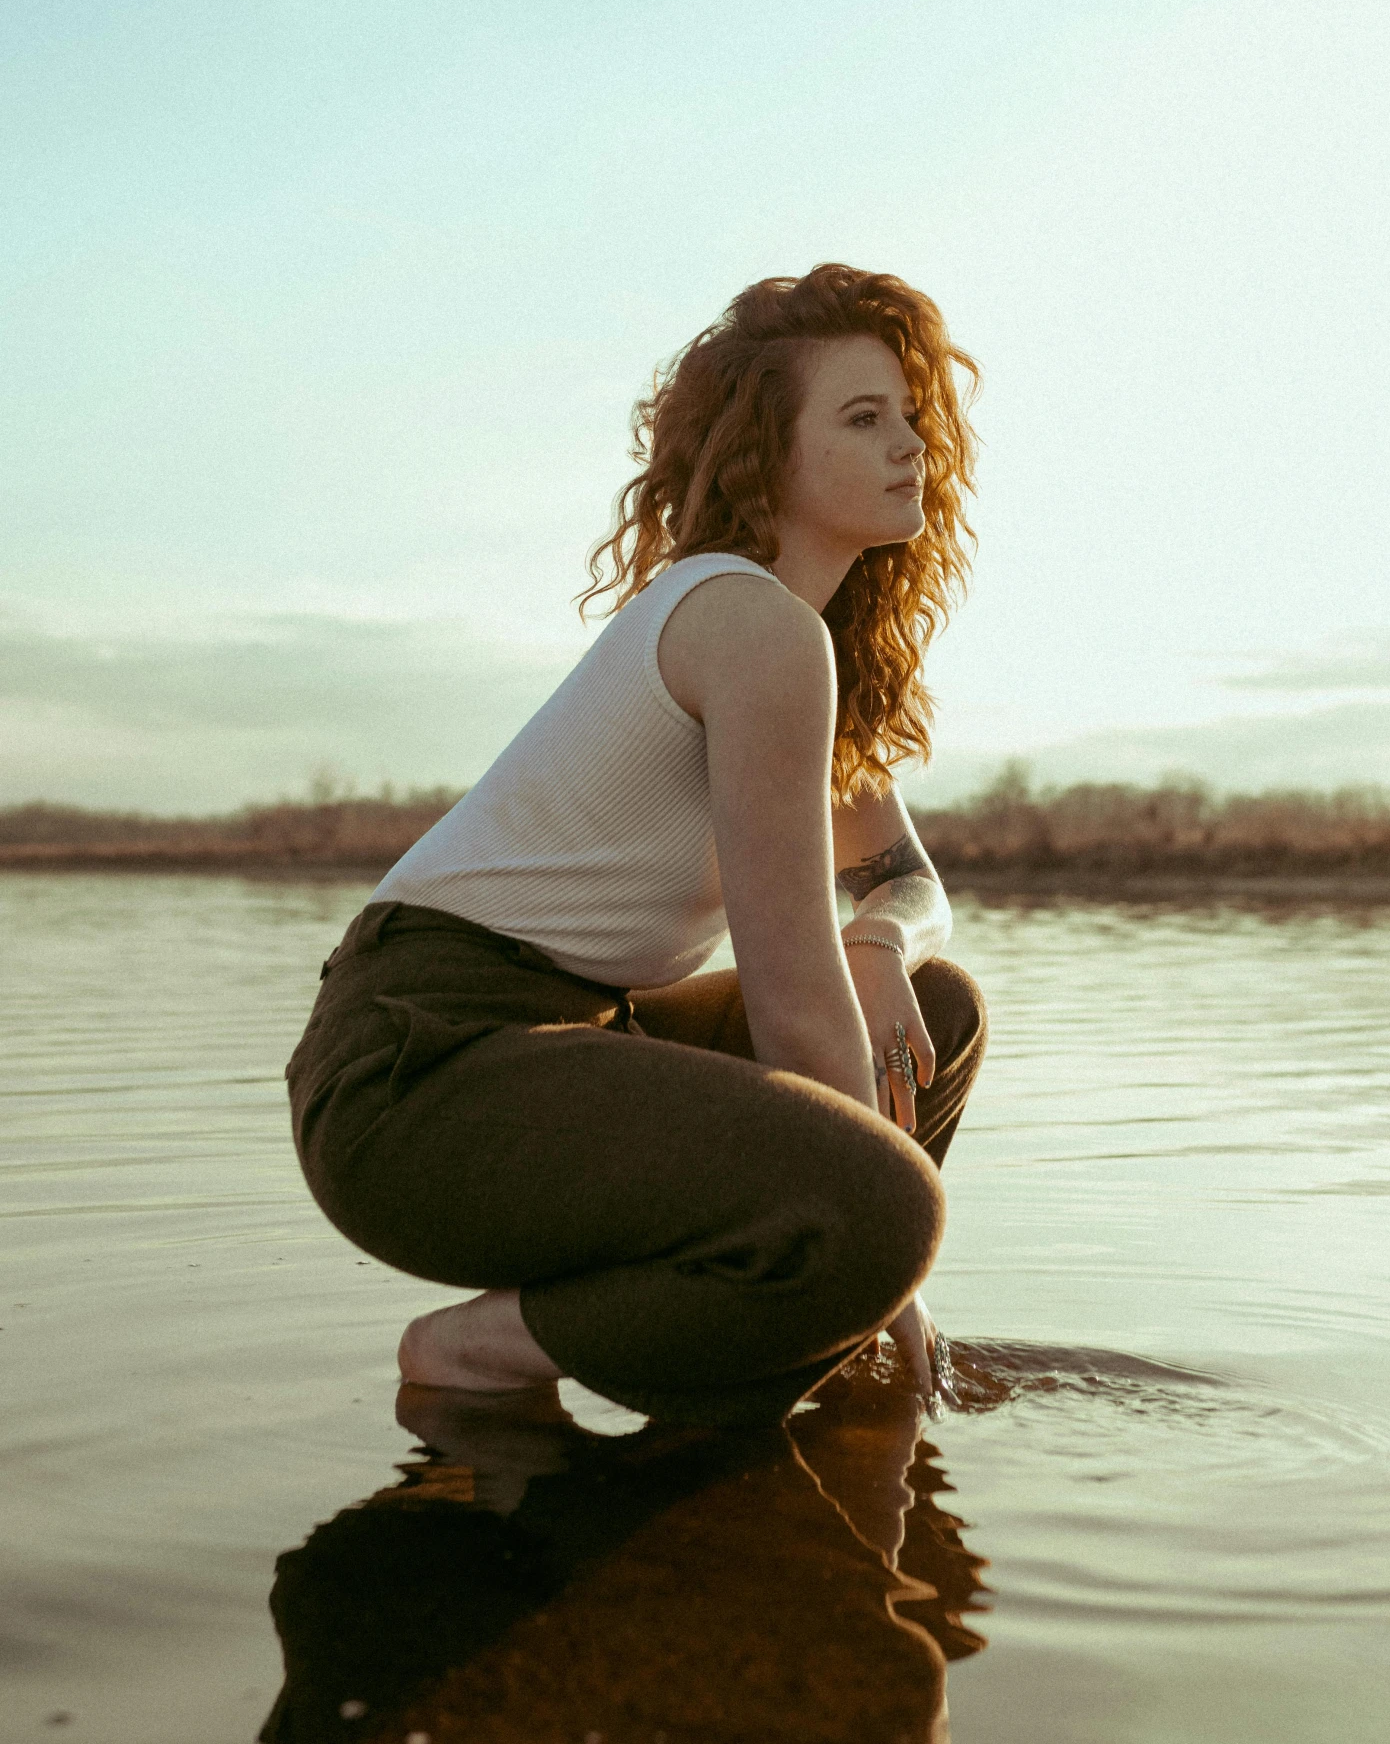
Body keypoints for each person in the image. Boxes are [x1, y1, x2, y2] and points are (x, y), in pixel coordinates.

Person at [285, 263, 987, 1427]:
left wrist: (878, 940)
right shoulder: (747, 625)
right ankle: (485, 1351)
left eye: (910, 415)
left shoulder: (800, 647)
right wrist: (892, 1261)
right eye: (863, 419)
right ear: (773, 453)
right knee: (878, 1205)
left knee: (937, 1010)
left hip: (561, 1042)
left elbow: (908, 889)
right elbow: (797, 1005)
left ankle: (758, 1354)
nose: (909, 442)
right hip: (418, 1072)